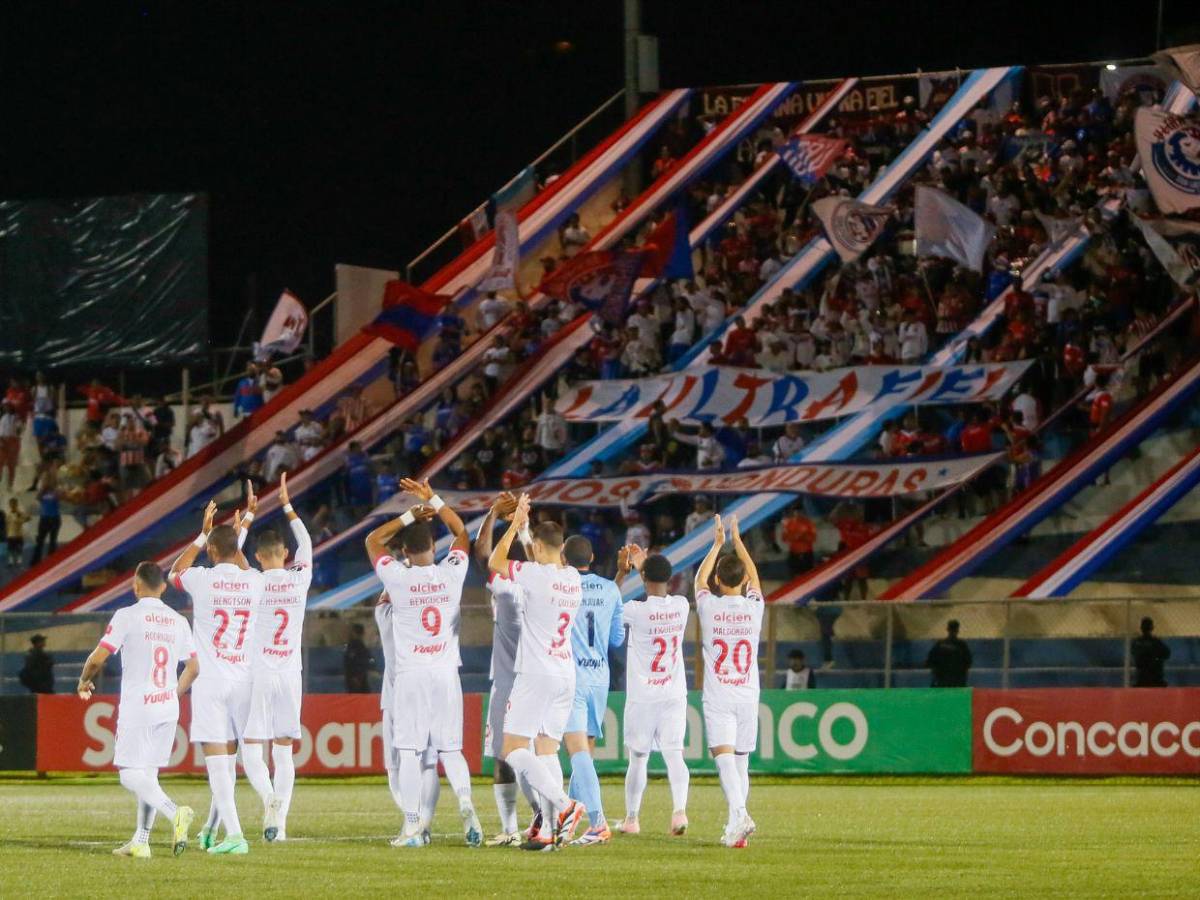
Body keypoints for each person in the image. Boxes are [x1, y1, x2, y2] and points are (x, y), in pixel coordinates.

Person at [365, 478, 482, 848]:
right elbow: (461, 532)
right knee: (451, 749)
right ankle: (466, 804)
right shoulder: (452, 572)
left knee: (409, 751)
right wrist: (433, 497)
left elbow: (372, 541)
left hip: (411, 674)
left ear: (404, 551)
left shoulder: (397, 578)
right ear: (434, 547)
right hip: (446, 672)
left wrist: (408, 515)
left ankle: (413, 826)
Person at [76, 561, 199, 858]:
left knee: (129, 774)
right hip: (167, 707)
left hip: (139, 706)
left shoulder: (127, 616)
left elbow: (98, 657)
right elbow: (194, 668)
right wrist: (173, 694)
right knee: (148, 777)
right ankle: (141, 841)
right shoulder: (178, 621)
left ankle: (175, 812)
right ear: (163, 587)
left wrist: (83, 680)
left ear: (135, 585)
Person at [487, 494, 585, 850]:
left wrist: (514, 526)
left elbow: (495, 561)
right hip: (565, 674)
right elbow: (539, 561)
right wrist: (527, 530)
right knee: (546, 750)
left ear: (541, 548)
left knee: (512, 749)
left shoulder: (535, 576)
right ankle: (549, 832)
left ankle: (565, 806)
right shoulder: (572, 577)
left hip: (536, 673)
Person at [169, 500, 265, 855]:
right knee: (230, 761)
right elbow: (243, 563)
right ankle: (212, 828)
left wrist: (202, 534)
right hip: (244, 680)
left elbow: (174, 572)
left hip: (210, 681)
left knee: (217, 763)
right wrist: (241, 530)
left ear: (211, 551)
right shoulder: (254, 581)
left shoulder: (202, 579)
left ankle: (236, 835)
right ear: (237, 551)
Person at [234, 474, 311, 842]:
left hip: (260, 673)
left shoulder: (254, 581)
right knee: (284, 752)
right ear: (285, 554)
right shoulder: (300, 578)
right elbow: (307, 543)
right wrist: (287, 506)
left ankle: (269, 801)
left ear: (258, 557)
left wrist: (248, 517)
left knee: (250, 748)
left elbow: (229, 556)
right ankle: (278, 828)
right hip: (291, 674)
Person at [473, 493, 540, 847]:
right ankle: (540, 817)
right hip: (536, 683)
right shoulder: (540, 590)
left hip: (506, 683)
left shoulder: (505, 590)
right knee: (530, 755)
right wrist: (524, 529)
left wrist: (495, 516)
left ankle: (513, 827)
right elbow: (537, 563)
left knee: (504, 756)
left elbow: (481, 554)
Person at [695, 514, 762, 849]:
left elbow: (699, 581)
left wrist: (717, 545)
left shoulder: (709, 607)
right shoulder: (755, 607)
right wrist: (738, 541)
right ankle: (737, 828)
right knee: (741, 761)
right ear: (744, 580)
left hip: (719, 694)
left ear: (718, 581)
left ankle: (740, 814)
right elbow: (756, 579)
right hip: (748, 694)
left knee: (724, 759)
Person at [615, 549, 691, 838]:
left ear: (644, 577)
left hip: (643, 696)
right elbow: (657, 588)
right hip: (673, 693)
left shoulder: (635, 611)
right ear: (670, 578)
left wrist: (630, 571)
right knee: (674, 754)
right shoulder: (682, 606)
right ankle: (679, 811)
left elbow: (611, 604)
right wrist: (645, 568)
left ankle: (632, 819)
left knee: (638, 758)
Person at [559, 534, 625, 846]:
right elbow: (616, 639)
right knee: (583, 751)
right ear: (592, 558)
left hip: (572, 676)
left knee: (576, 750)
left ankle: (598, 822)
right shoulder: (611, 589)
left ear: (564, 558)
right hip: (599, 676)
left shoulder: (561, 587)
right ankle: (568, 820)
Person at [926, 620, 972, 687]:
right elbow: (968, 662)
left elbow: (930, 660)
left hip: (942, 680)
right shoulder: (961, 645)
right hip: (957, 681)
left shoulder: (940, 644)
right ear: (957, 631)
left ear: (948, 629)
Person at [1131, 617, 1170, 687]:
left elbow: (1134, 654)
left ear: (1141, 628)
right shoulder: (1156, 642)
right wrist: (1157, 658)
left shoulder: (1137, 642)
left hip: (1141, 678)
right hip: (1156, 678)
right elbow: (1167, 654)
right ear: (1152, 628)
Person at [343, 623, 373, 693]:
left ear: (354, 633)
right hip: (359, 676)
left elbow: (353, 662)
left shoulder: (354, 645)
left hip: (355, 677)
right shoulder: (361, 645)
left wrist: (356, 676)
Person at [6, 497, 29, 567]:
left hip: (19, 534)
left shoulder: (20, 513)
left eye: (14, 504)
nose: (12, 505)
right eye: (11, 504)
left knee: (19, 548)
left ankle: (19, 560)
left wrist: (22, 521)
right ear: (9, 505)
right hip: (10, 534)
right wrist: (7, 532)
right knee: (10, 548)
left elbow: (28, 518)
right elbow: (7, 523)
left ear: (16, 504)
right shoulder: (8, 513)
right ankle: (11, 561)